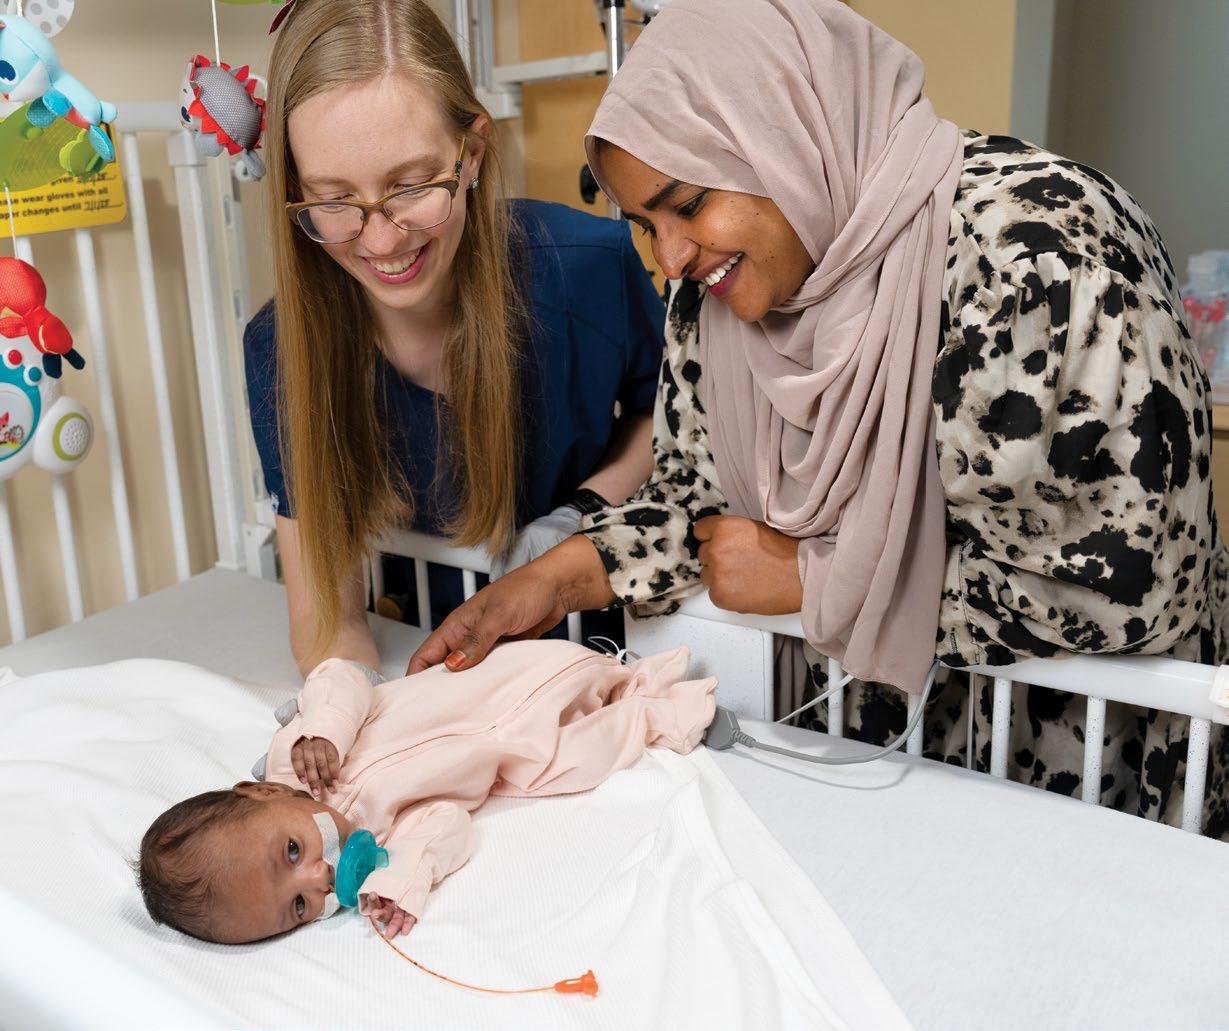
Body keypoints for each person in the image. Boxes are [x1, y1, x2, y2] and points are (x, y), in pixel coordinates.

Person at [410, 0, 1229, 833]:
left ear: (788, 137)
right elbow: (702, 509)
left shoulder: (1037, 261)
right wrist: (548, 580)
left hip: (1074, 762)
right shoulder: (717, 296)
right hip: (874, 751)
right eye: (646, 225)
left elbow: (1131, 588)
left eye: (687, 203)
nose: (671, 257)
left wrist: (814, 582)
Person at [244, 0, 663, 674]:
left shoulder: (586, 268)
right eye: (334, 199)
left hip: (602, 642)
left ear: (470, 152)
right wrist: (341, 700)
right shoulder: (281, 349)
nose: (382, 241)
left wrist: (583, 512)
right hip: (423, 649)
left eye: (412, 186)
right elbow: (328, 621)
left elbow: (668, 413)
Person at [136, 641, 716, 944]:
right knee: (583, 761)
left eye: (291, 852)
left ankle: (620, 673)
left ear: (258, 794)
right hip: (511, 752)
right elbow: (446, 821)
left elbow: (341, 677)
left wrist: (327, 729)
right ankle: (657, 710)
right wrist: (404, 875)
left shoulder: (299, 753)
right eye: (299, 908)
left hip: (491, 683)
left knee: (572, 675)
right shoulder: (377, 842)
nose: (318, 879)